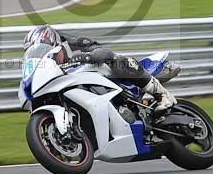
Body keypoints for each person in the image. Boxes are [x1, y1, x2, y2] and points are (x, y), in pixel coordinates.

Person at [23, 25, 179, 111]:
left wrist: (85, 57)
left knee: (118, 61)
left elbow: (103, 50)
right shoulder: (53, 68)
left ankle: (162, 94)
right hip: (87, 89)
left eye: (44, 50)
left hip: (112, 75)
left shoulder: (72, 44)